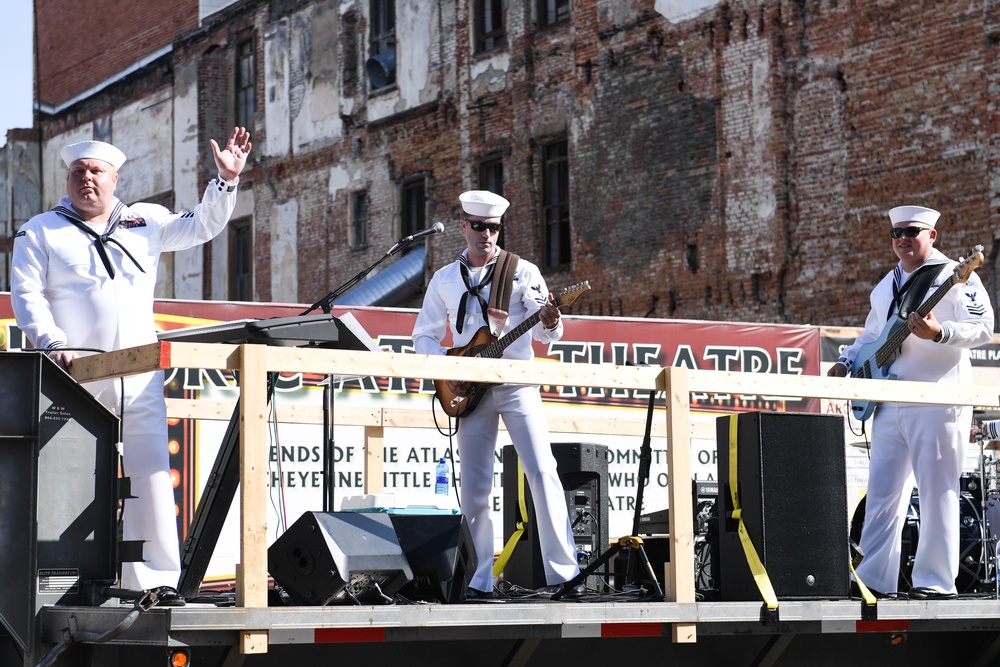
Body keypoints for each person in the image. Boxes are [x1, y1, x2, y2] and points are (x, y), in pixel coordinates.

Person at [11, 127, 253, 598]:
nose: (86, 179)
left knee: (152, 474)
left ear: (115, 179)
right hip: (76, 376)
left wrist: (225, 181)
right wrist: (51, 341)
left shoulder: (146, 221)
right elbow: (26, 293)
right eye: (77, 172)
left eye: (96, 172)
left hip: (140, 378)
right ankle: (66, 582)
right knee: (71, 473)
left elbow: (202, 225)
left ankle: (158, 584)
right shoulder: (41, 229)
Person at [411, 190, 582, 599]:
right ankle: (476, 580)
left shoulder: (521, 271)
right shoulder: (444, 279)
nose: (487, 234)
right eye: (479, 227)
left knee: (542, 472)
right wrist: (452, 367)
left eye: (494, 228)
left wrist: (553, 318)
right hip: (470, 388)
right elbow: (423, 337)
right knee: (473, 490)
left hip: (516, 382)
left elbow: (547, 334)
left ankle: (565, 575)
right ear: (464, 227)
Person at [828, 205, 994, 599]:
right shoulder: (886, 284)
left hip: (937, 398)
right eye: (896, 233)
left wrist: (941, 333)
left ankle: (936, 582)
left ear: (932, 236)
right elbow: (872, 336)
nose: (903, 238)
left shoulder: (955, 274)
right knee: (883, 491)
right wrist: (846, 360)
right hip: (889, 398)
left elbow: (984, 326)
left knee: (938, 491)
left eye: (912, 231)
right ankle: (873, 578)